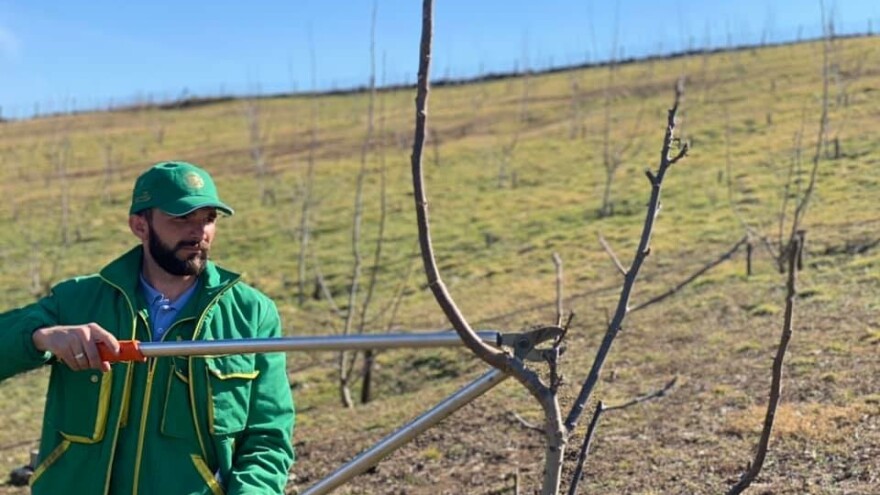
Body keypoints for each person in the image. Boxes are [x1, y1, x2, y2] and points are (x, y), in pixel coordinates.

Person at [0, 161, 295, 494]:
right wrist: (41, 337)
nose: (199, 232)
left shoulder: (252, 314)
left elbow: (268, 437)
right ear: (140, 225)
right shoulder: (77, 301)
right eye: (182, 218)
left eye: (209, 219)